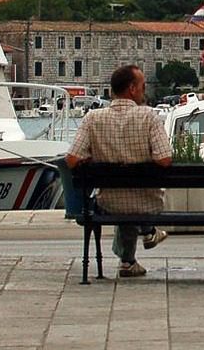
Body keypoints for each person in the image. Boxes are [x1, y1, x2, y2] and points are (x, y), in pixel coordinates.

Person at [66, 64, 173, 278]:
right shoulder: (149, 117)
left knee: (122, 201)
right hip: (147, 202)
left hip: (109, 203)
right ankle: (146, 235)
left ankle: (129, 260)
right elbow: (164, 159)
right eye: (143, 86)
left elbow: (71, 159)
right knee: (132, 201)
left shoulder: (93, 118)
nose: (145, 91)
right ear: (132, 89)